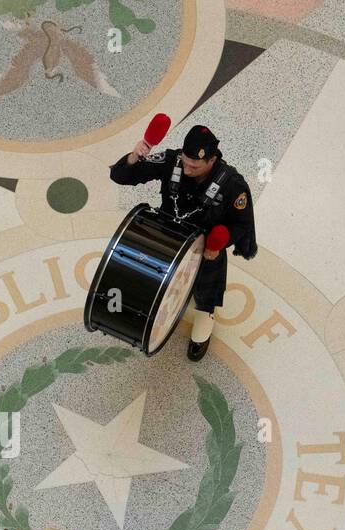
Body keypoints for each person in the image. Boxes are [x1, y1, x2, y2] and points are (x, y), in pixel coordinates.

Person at [109, 123, 257, 361]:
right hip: (167, 233)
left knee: (209, 275)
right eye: (185, 162)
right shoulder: (171, 160)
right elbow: (119, 176)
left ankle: (205, 314)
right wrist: (135, 156)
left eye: (194, 166)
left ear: (212, 160)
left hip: (204, 244)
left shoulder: (233, 185)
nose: (187, 169)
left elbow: (242, 225)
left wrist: (218, 244)